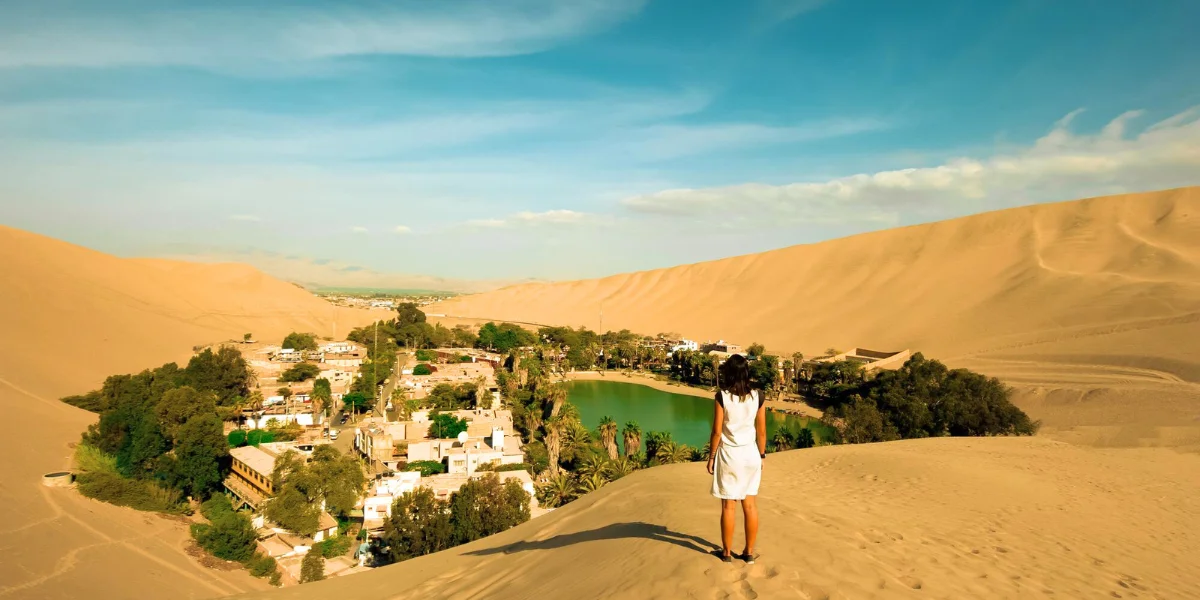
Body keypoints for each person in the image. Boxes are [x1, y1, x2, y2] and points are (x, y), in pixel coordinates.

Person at [706, 354, 766, 564]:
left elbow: (716, 432)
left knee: (728, 506)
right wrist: (762, 455)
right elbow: (762, 432)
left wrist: (711, 457)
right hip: (751, 455)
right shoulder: (758, 396)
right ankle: (749, 553)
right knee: (749, 506)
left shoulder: (722, 397)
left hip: (730, 455)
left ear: (729, 373)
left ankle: (727, 553)